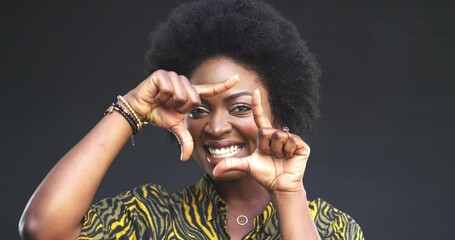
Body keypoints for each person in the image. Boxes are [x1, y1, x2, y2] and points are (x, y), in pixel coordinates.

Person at [19, 0, 364, 239]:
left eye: (240, 108)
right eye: (198, 110)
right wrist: (132, 109)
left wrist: (289, 193)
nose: (215, 128)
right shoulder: (150, 217)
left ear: (281, 113)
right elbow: (43, 229)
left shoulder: (333, 228)